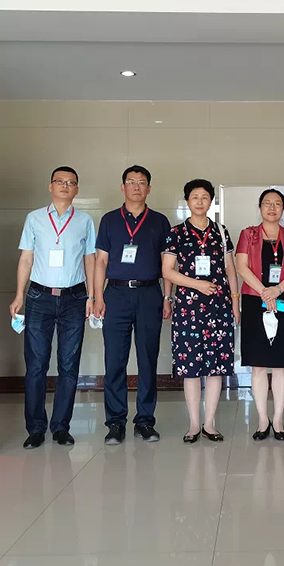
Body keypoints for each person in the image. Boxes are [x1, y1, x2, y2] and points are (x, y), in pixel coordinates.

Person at [10, 166, 97, 449]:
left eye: (71, 182)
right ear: (50, 186)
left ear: (77, 189)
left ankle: (61, 427)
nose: (65, 186)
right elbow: (26, 259)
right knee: (36, 364)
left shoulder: (84, 220)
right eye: (59, 181)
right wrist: (19, 294)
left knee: (69, 365)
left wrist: (92, 297)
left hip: (74, 298)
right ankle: (36, 428)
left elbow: (90, 260)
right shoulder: (34, 218)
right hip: (39, 297)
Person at [92, 165, 173, 444]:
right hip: (115, 295)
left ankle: (145, 421)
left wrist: (167, 297)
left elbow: (167, 264)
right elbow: (101, 261)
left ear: (149, 188)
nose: (136, 186)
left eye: (142, 182)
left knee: (148, 359)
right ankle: (115, 422)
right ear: (123, 187)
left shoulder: (160, 221)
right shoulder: (109, 220)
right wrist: (98, 296)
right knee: (114, 360)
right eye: (131, 181)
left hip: (150, 294)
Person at [162, 179, 240, 443]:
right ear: (187, 201)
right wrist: (197, 284)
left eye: (205, 197)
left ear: (211, 201)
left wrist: (235, 303)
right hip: (188, 307)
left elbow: (230, 269)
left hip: (219, 306)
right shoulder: (176, 233)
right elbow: (167, 271)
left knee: (216, 366)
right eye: (194, 197)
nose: (199, 201)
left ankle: (210, 423)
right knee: (191, 366)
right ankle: (194, 424)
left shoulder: (220, 231)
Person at [235, 189, 284, 441]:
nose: (272, 208)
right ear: (260, 207)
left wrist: (277, 290)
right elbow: (241, 267)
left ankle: (278, 420)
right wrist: (265, 292)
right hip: (255, 300)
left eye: (277, 204)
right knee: (258, 364)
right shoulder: (248, 234)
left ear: (283, 208)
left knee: (280, 364)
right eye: (267, 203)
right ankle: (262, 419)